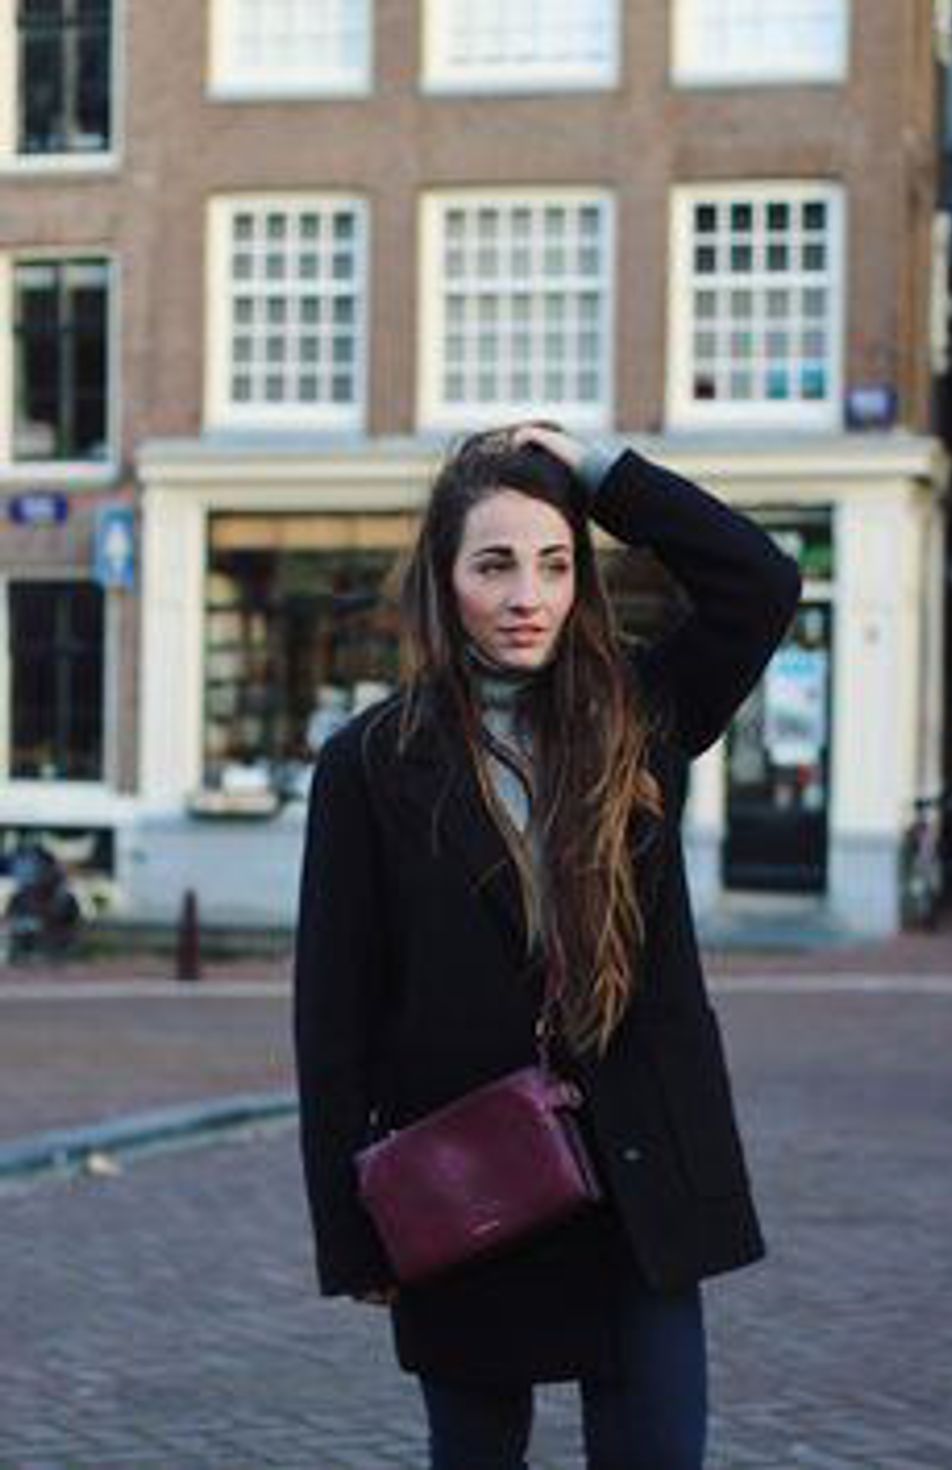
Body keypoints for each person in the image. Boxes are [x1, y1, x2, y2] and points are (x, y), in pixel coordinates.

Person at [293, 423, 802, 1470]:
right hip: (467, 1177)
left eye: (555, 564)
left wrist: (605, 472)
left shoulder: (640, 713)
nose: (527, 595)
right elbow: (333, 1016)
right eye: (494, 565)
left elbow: (758, 583)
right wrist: (355, 1231)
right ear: (444, 581)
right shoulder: (369, 763)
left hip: (639, 1174)